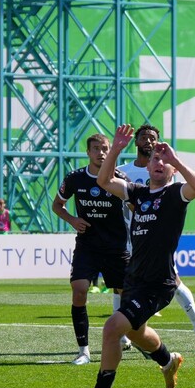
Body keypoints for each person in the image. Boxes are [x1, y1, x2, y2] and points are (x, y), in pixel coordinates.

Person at [78, 124, 195, 388]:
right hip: (135, 278)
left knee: (112, 328)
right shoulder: (138, 194)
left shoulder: (173, 196)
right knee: (135, 332)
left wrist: (177, 160)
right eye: (154, 160)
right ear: (147, 168)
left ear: (171, 170)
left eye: (164, 161)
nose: (158, 163)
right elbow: (104, 180)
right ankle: (168, 360)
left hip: (158, 284)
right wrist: (117, 150)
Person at [119, 124, 195, 352]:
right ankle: (127, 335)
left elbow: (181, 194)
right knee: (120, 284)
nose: (148, 141)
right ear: (136, 142)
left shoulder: (165, 168)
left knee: (174, 282)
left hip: (155, 238)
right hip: (129, 236)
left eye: (153, 137)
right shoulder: (123, 170)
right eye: (144, 137)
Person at [52, 133, 132, 365]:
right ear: (88, 152)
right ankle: (83, 350)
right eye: (96, 149)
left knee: (128, 295)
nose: (101, 153)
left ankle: (135, 337)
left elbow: (135, 206)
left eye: (105, 148)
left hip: (116, 247)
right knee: (79, 289)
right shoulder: (76, 178)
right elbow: (57, 205)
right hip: (87, 245)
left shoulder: (119, 178)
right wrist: (72, 220)